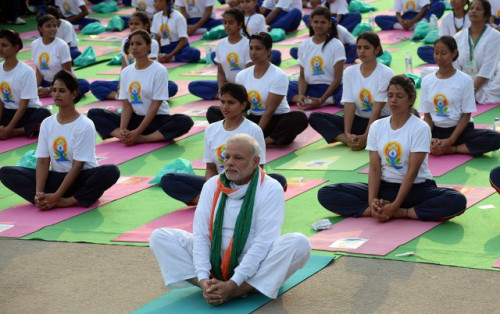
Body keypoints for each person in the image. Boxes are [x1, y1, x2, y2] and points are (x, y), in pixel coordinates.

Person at [150, 133, 311, 304]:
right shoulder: (212, 185)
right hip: (214, 256)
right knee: (160, 237)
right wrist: (203, 278)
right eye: (226, 157)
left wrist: (235, 283)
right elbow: (201, 234)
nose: (229, 163)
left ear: (255, 162)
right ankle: (211, 289)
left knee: (299, 243)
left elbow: (264, 241)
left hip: (253, 259)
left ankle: (240, 290)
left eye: (238, 158)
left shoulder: (271, 189)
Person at [317, 75, 467, 221]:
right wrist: (372, 201)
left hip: (416, 189)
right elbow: (375, 169)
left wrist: (396, 207)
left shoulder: (420, 128)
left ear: (411, 99)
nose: (393, 100)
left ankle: (405, 213)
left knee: (457, 200)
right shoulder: (377, 126)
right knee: (326, 192)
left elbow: (412, 173)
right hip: (384, 188)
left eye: (399, 96)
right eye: (390, 96)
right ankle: (375, 210)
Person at [0, 70, 120, 210]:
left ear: (73, 94)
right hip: (57, 178)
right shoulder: (47, 123)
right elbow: (43, 161)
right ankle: (43, 199)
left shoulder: (84, 125)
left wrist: (58, 196)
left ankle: (68, 201)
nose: (56, 94)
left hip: (81, 178)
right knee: (6, 172)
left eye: (62, 91)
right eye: (54, 90)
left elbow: (77, 166)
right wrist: (39, 193)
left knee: (111, 171)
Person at [161, 82, 286, 205]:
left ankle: (225, 201)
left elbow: (258, 168)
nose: (225, 107)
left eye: (231, 103)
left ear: (243, 105)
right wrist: (212, 189)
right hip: (220, 181)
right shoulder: (211, 129)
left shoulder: (253, 130)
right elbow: (210, 168)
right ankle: (211, 201)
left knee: (278, 180)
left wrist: (241, 189)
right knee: (168, 179)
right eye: (222, 102)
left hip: (244, 183)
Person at [88, 30, 193, 146]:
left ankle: (143, 139)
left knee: (184, 121)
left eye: (138, 44)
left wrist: (138, 133)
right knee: (93, 113)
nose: (134, 47)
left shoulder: (159, 70)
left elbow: (155, 105)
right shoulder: (126, 72)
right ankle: (125, 137)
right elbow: (127, 105)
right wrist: (123, 130)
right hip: (135, 118)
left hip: (156, 120)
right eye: (132, 44)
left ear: (149, 46)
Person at [207, 32, 308, 146]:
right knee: (213, 111)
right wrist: (241, 125)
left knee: (299, 118)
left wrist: (255, 136)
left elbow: (269, 111)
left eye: (258, 49)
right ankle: (238, 137)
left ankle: (265, 141)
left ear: (268, 50)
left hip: (275, 120)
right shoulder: (242, 75)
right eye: (251, 48)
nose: (253, 53)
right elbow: (241, 107)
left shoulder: (278, 75)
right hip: (253, 119)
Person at [309, 31, 393, 151]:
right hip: (358, 121)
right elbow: (349, 104)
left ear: (377, 50)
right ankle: (348, 141)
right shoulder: (350, 72)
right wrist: (348, 134)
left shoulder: (385, 73)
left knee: (403, 121)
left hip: (380, 121)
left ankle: (366, 139)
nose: (362, 51)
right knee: (315, 117)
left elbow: (377, 108)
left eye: (366, 48)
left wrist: (365, 136)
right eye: (359, 47)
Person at [419, 36, 500, 156]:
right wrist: (429, 138)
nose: (439, 57)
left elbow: (466, 116)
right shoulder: (427, 80)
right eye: (436, 53)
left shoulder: (465, 80)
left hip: (460, 131)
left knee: (496, 138)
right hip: (436, 130)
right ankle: (438, 146)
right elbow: (427, 116)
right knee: (405, 134)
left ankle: (453, 149)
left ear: (454, 53)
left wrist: (450, 142)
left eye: (443, 53)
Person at [90, 11, 178, 101]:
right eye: (131, 24)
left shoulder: (152, 43)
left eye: (136, 24)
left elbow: (150, 68)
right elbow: (124, 67)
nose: (133, 26)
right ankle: (121, 96)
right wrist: (120, 88)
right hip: (130, 82)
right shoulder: (125, 42)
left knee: (171, 87)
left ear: (146, 26)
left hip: (148, 82)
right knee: (95, 85)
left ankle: (134, 95)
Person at [287, 7, 345, 109]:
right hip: (310, 88)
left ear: (329, 24)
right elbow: (302, 77)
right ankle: (303, 100)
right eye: (316, 22)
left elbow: (337, 79)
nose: (319, 25)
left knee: (351, 91)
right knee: (281, 86)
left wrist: (321, 100)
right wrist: (301, 95)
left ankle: (325, 101)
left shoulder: (337, 45)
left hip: (332, 88)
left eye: (323, 22)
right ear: (311, 23)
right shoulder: (304, 45)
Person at [188, 8, 251, 100]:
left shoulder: (247, 44)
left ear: (240, 24)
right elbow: (220, 72)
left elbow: (250, 73)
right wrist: (221, 91)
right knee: (193, 86)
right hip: (228, 85)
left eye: (231, 23)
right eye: (225, 23)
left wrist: (242, 89)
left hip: (244, 86)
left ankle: (235, 97)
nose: (227, 26)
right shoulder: (220, 44)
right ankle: (225, 97)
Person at [0, 29, 51, 140]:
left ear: (16, 47)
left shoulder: (26, 71)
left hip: (27, 112)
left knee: (44, 114)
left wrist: (9, 130)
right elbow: (0, 101)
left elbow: (23, 105)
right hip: (8, 112)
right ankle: (24, 129)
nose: (0, 48)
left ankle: (19, 131)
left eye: (4, 45)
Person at [32, 14, 90, 98]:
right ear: (40, 28)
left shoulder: (62, 45)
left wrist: (50, 89)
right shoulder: (35, 44)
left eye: (55, 26)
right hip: (46, 81)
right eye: (48, 26)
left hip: (63, 81)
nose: (53, 29)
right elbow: (39, 72)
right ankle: (56, 92)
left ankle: (57, 92)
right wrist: (33, 89)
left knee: (84, 85)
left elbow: (67, 73)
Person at [454, 0, 500, 104]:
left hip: (488, 82)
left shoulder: (495, 36)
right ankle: (477, 96)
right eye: (471, 8)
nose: (473, 11)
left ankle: (474, 96)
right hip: (464, 82)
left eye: (478, 9)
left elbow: (488, 68)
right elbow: (454, 65)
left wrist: (471, 92)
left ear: (486, 16)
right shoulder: (458, 37)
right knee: (428, 73)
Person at [239, 0, 282, 65]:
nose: (245, 4)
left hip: (255, 50)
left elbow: (264, 37)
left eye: (247, 1)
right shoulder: (237, 18)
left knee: (276, 54)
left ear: (255, 2)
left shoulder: (259, 17)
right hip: (241, 50)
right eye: (242, 2)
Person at [375, 0, 445, 30]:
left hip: (420, 16)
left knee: (440, 5)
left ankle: (421, 24)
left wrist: (412, 22)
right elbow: (397, 13)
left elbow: (424, 8)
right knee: (378, 19)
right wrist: (401, 22)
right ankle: (404, 27)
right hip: (406, 17)